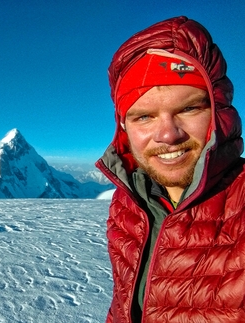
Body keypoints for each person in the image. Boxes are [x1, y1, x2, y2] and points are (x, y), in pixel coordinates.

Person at [95, 16, 245, 323]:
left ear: (219, 112)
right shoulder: (127, 207)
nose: (168, 134)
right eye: (144, 117)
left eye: (189, 108)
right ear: (124, 128)